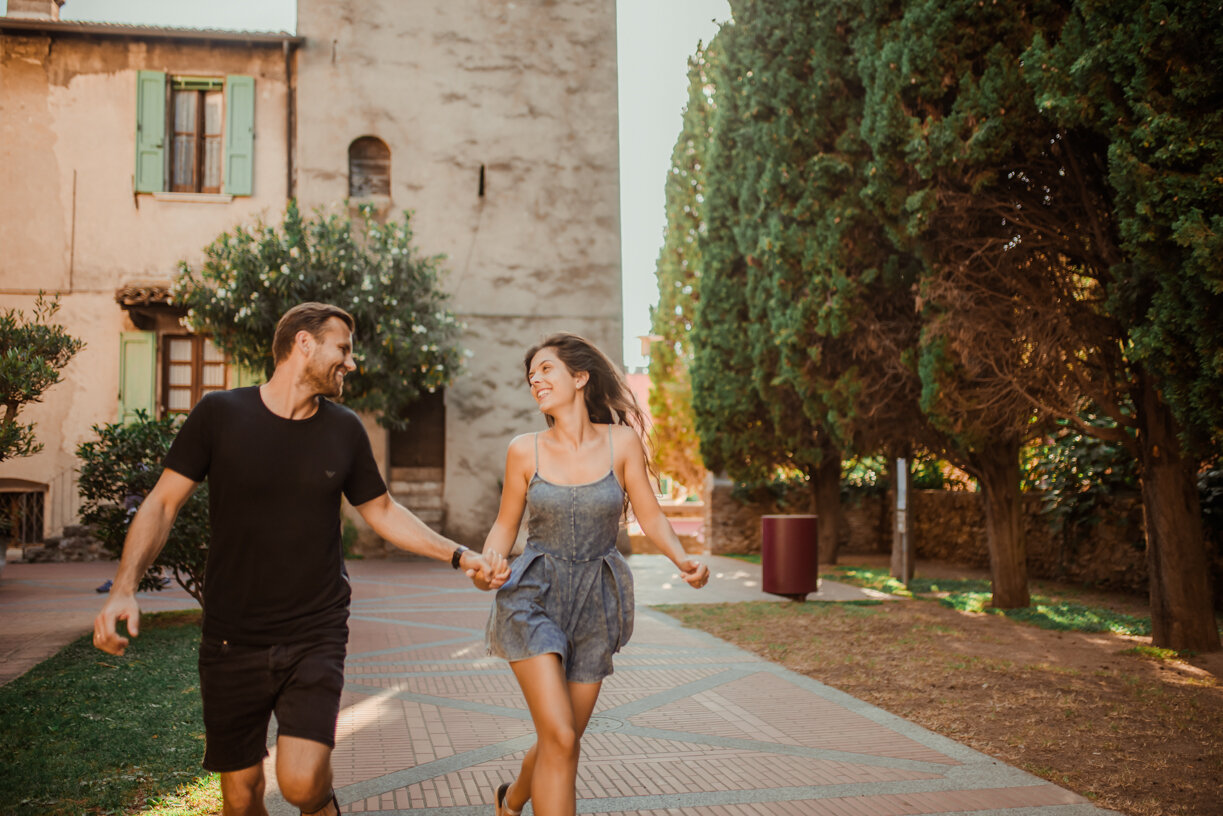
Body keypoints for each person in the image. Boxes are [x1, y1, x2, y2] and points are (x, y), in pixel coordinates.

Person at [93, 302, 509, 816]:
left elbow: (381, 510)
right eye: (344, 348)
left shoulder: (345, 429)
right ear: (303, 344)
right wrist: (123, 588)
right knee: (241, 797)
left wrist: (459, 554)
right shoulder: (220, 415)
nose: (351, 363)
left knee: (302, 782)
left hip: (315, 630)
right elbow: (161, 503)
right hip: (230, 637)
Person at [475, 332, 710, 816]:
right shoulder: (525, 450)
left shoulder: (621, 444)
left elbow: (649, 515)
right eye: (531, 375)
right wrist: (487, 564)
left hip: (596, 601)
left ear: (579, 377)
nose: (534, 380)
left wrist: (681, 558)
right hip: (532, 596)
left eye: (545, 370)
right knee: (560, 734)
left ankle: (512, 798)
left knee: (563, 738)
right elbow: (505, 524)